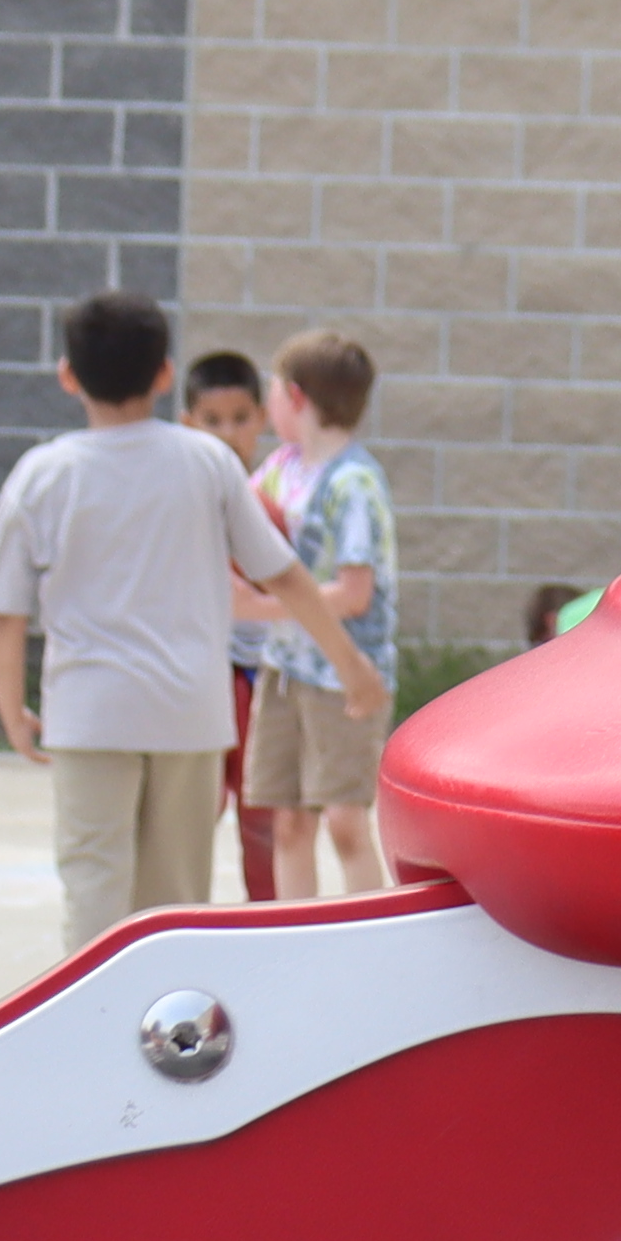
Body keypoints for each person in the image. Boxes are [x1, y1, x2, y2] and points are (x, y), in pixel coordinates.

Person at [0, 291, 384, 955]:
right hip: (189, 713)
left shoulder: (43, 474)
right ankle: (168, 1045)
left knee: (94, 894)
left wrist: (12, 709)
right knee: (173, 908)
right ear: (165, 374)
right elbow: (282, 575)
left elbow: (4, 614)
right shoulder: (208, 462)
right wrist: (350, 664)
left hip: (89, 715)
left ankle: (93, 1037)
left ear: (68, 376)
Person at [241, 331, 399, 902]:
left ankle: (365, 935)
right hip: (286, 667)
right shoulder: (278, 469)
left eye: (274, 393)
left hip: (342, 672)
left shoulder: (354, 483)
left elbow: (355, 594)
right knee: (288, 819)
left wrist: (260, 607)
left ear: (298, 398)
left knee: (345, 819)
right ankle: (297, 934)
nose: (269, 407)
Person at [180, 348, 278, 902]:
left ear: (261, 418)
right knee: (197, 805)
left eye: (240, 419)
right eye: (212, 421)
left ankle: (264, 918)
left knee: (260, 813)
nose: (227, 433)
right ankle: (181, 914)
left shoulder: (271, 495)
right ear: (188, 423)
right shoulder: (185, 497)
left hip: (263, 673)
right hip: (205, 671)